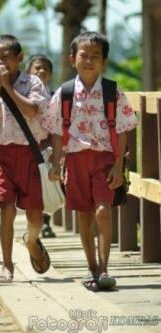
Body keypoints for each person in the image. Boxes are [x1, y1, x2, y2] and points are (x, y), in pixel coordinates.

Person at [42, 31, 138, 290]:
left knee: (103, 211)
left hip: (104, 160)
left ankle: (105, 268)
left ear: (104, 61)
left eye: (96, 56)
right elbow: (56, 131)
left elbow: (124, 128)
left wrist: (119, 165)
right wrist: (55, 163)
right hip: (75, 159)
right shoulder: (64, 93)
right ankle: (92, 268)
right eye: (83, 55)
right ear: (72, 59)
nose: (89, 60)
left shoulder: (112, 91)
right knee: (84, 216)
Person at [0, 34, 50, 283]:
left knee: (34, 213)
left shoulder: (34, 84)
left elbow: (32, 110)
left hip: (30, 153)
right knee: (6, 209)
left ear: (20, 58)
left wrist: (8, 87)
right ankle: (7, 265)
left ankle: (31, 240)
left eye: (5, 57)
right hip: (3, 156)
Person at [26, 54, 57, 239]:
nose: (41, 71)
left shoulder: (56, 97)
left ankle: (46, 223)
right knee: (32, 188)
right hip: (28, 148)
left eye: (46, 68)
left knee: (48, 185)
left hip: (49, 148)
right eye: (37, 67)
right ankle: (33, 225)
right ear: (28, 72)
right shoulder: (22, 95)